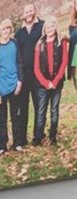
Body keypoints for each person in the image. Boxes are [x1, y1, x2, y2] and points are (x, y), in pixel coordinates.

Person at [35, 15, 71, 147]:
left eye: (52, 26)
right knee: (41, 112)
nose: (50, 29)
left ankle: (53, 136)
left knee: (54, 111)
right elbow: (36, 68)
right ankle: (38, 138)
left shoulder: (61, 42)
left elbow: (64, 63)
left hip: (57, 83)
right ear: (44, 29)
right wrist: (46, 83)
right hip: (42, 85)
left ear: (55, 27)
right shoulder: (40, 44)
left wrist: (55, 82)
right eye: (47, 27)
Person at [0, 18, 24, 152]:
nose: (5, 31)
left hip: (14, 86)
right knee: (1, 119)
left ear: (10, 30)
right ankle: (2, 146)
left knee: (15, 116)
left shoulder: (15, 43)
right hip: (2, 87)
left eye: (7, 28)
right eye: (3, 29)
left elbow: (19, 63)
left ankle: (17, 143)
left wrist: (20, 81)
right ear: (0, 31)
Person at [15, 3, 44, 145]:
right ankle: (22, 139)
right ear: (23, 13)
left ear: (34, 11)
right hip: (24, 75)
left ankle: (38, 136)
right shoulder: (18, 33)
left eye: (31, 10)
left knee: (39, 105)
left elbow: (53, 36)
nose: (29, 13)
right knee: (23, 107)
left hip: (38, 74)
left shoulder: (42, 26)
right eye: (26, 11)